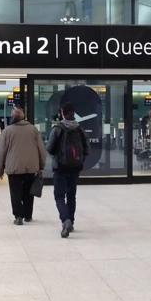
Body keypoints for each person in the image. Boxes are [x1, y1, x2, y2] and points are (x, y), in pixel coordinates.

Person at [46, 102, 90, 238]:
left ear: (62, 114)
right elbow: (87, 149)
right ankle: (71, 220)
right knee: (71, 195)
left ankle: (66, 220)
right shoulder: (80, 129)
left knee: (59, 196)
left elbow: (49, 149)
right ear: (74, 113)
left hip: (60, 167)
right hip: (75, 167)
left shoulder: (57, 129)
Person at [0, 107, 46, 225]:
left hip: (13, 167)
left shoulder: (7, 131)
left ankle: (18, 216)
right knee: (29, 191)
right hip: (31, 166)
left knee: (15, 192)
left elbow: (1, 152)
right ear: (23, 116)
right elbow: (41, 150)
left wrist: (0, 170)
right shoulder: (33, 129)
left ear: (12, 116)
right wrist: (41, 165)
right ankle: (28, 215)